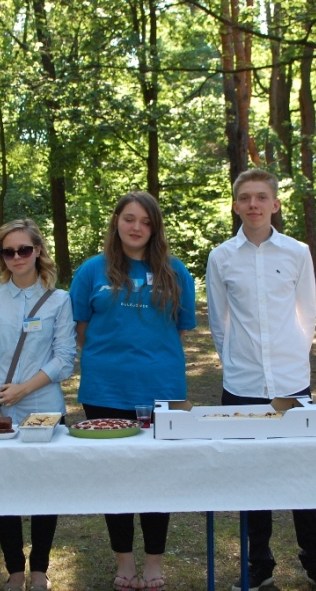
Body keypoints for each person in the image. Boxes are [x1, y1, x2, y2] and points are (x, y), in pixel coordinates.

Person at [205, 169, 316, 591]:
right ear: (235, 205)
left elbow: (307, 315)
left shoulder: (297, 252)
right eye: (245, 197)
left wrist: (291, 364)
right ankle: (259, 565)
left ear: (275, 204)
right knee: (251, 479)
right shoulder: (221, 257)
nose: (253, 204)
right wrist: (237, 362)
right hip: (242, 386)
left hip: (291, 384)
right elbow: (219, 322)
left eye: (261, 197)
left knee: (302, 476)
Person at [70, 191, 196, 591]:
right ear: (116, 222)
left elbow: (179, 329)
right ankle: (124, 560)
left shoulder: (176, 271)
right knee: (116, 477)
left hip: (163, 389)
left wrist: (151, 361)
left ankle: (154, 563)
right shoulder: (91, 270)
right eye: (129, 218)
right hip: (105, 389)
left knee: (159, 476)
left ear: (155, 227)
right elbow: (81, 330)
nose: (136, 227)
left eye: (145, 221)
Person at [0, 218, 76, 591]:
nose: (17, 257)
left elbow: (65, 358)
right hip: (0, 409)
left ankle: (39, 569)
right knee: (4, 491)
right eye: (9, 252)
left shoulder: (59, 300)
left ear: (38, 251)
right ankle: (15, 570)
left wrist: (23, 390)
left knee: (45, 491)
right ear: (1, 257)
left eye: (24, 249)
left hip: (45, 407)